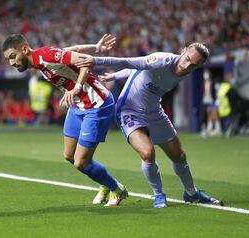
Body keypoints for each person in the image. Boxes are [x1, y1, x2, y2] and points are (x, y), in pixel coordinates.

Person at [75, 43, 222, 208]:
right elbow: (130, 62)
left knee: (179, 155)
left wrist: (115, 76)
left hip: (154, 112)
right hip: (128, 110)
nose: (187, 66)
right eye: (187, 59)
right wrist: (95, 60)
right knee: (148, 153)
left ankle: (191, 193)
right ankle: (159, 195)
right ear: (183, 51)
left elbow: (140, 67)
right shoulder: (162, 60)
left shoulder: (185, 71)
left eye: (194, 65)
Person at [2, 34, 128, 206]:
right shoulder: (41, 61)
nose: (11, 63)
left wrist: (76, 87)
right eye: (8, 59)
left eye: (12, 57)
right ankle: (104, 182)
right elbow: (74, 50)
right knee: (69, 155)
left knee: (81, 162)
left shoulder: (46, 57)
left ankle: (117, 189)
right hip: (77, 105)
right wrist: (96, 48)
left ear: (24, 49)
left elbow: (84, 60)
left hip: (96, 104)